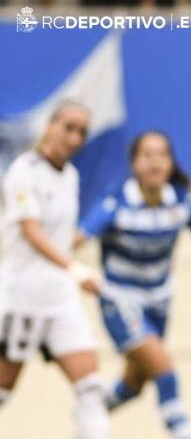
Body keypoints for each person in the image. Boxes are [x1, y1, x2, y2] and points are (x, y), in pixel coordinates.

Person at [76, 130, 191, 439]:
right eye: (147, 155)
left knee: (134, 385)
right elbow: (76, 239)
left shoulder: (181, 202)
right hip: (119, 300)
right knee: (164, 370)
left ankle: (90, 411)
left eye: (162, 155)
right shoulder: (116, 203)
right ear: (134, 163)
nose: (155, 162)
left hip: (159, 302)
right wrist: (73, 270)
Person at [0, 101, 110, 438]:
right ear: (50, 126)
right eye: (69, 127)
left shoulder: (71, 176)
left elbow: (61, 237)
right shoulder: (24, 171)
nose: (75, 137)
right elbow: (32, 232)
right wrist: (76, 270)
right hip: (23, 296)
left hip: (61, 299)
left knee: (90, 387)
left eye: (82, 132)